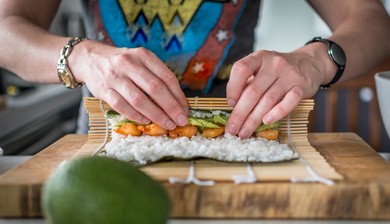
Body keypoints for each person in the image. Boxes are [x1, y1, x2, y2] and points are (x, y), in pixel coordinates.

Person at [0, 0, 389, 138]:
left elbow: (372, 20)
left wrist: (314, 59)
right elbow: (6, 29)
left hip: (241, 143)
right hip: (108, 143)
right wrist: (82, 56)